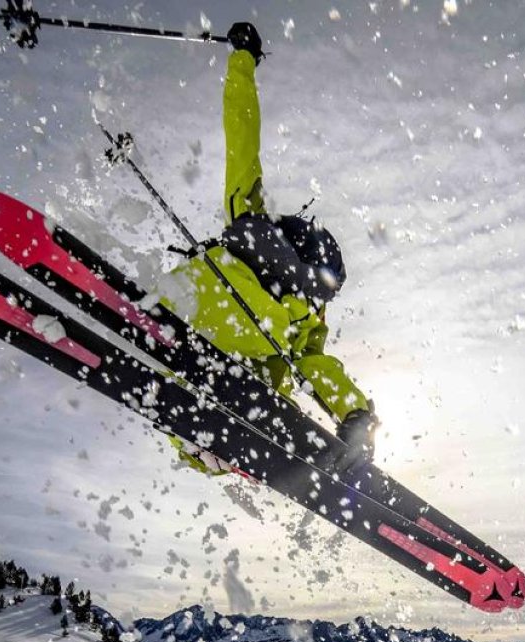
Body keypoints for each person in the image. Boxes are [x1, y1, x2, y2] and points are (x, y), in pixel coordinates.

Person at [160, 22, 377, 476]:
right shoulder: (262, 242)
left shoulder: (255, 233)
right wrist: (242, 62)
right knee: (281, 357)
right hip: (199, 330)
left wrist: (355, 415)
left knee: (277, 360)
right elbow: (242, 134)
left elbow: (243, 137)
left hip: (206, 345)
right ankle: (215, 439)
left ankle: (215, 441)